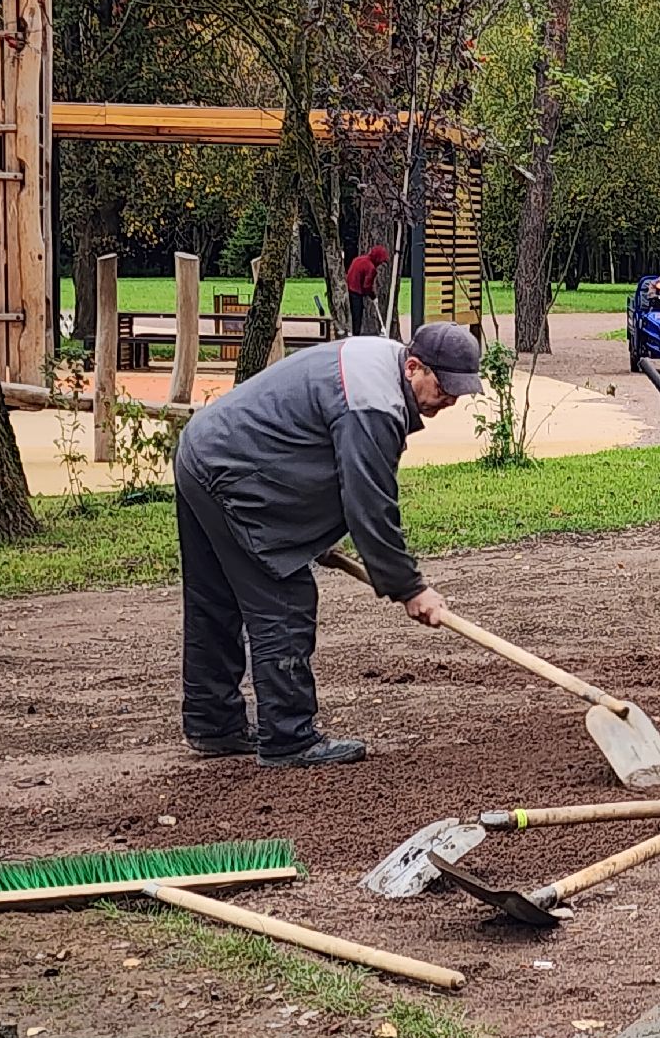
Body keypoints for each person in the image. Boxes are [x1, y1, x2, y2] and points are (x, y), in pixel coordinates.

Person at [171, 324, 484, 767]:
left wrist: (310, 534)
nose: (450, 399)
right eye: (445, 387)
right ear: (414, 367)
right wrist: (409, 587)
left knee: (215, 600)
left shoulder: (379, 361)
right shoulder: (373, 404)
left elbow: (313, 449)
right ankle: (290, 738)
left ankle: (214, 723)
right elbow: (369, 505)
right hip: (231, 473)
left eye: (459, 390)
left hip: (205, 451)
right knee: (284, 598)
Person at [345, 245, 390, 336]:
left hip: (347, 289)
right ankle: (355, 337)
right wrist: (373, 296)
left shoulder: (358, 259)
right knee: (357, 317)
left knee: (351, 316)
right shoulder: (371, 268)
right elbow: (367, 286)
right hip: (356, 292)